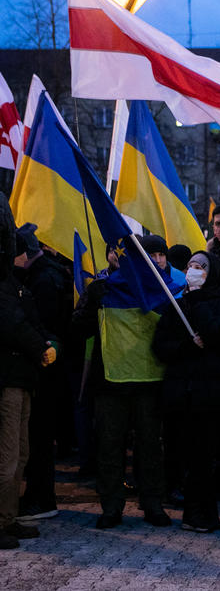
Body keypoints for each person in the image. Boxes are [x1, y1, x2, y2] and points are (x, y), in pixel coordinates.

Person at [73, 235, 182, 530]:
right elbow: (79, 328)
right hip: (110, 383)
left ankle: (152, 504)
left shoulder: (165, 290)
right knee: (109, 446)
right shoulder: (100, 290)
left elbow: (174, 333)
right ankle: (112, 506)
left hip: (150, 381)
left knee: (150, 447)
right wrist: (88, 302)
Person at [152, 251, 220, 532]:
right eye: (191, 265)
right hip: (183, 393)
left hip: (214, 394)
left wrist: (199, 302)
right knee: (188, 454)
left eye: (201, 266)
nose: (195, 270)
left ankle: (204, 512)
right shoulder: (176, 305)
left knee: (206, 456)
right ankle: (195, 513)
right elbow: (160, 347)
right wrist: (186, 346)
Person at [0, 194, 58, 549]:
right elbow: (15, 325)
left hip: (22, 380)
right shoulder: (5, 288)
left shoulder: (16, 285)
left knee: (20, 453)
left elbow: (32, 323)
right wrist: (42, 346)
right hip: (8, 380)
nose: (26, 256)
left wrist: (47, 340)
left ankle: (8, 517)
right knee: (7, 457)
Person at [12, 223, 73, 523]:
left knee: (38, 438)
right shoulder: (44, 274)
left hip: (46, 370)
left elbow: (44, 328)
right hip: (46, 369)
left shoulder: (44, 280)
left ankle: (41, 498)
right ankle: (37, 496)